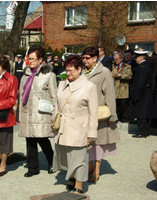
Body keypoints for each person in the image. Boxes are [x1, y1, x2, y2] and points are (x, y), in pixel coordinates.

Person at [53, 55, 98, 194]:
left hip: (80, 127)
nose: (68, 73)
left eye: (71, 70)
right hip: (63, 127)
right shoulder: (62, 84)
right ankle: (71, 177)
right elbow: (56, 104)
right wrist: (54, 120)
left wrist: (92, 132)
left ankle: (79, 185)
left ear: (80, 69)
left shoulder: (89, 87)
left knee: (79, 158)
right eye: (66, 70)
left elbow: (93, 112)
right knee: (66, 157)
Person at [18, 46, 57, 177]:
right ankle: (33, 167)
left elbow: (54, 95)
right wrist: (19, 115)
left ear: (41, 59)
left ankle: (52, 161)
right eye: (29, 59)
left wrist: (55, 114)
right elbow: (21, 95)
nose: (31, 62)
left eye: (34, 59)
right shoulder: (25, 74)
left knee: (43, 139)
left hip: (41, 113)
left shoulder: (49, 75)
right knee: (30, 141)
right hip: (27, 112)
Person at [82, 46, 120, 183]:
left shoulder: (104, 72)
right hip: (85, 113)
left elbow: (110, 94)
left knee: (99, 143)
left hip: (99, 113)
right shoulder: (83, 72)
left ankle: (96, 170)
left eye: (87, 58)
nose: (84, 60)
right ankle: (90, 166)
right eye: (83, 58)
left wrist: (112, 116)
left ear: (95, 58)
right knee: (88, 142)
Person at [131, 49, 153, 138]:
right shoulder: (145, 67)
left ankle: (142, 131)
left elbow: (140, 83)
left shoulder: (143, 68)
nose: (135, 59)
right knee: (143, 113)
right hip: (145, 94)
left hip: (142, 95)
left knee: (141, 113)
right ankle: (145, 131)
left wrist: (135, 96)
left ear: (140, 58)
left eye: (136, 57)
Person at [111, 53, 133, 123]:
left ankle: (125, 118)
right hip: (114, 87)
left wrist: (121, 75)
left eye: (116, 59)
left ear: (121, 59)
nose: (115, 60)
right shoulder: (113, 66)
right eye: (114, 59)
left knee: (124, 104)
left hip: (123, 87)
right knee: (115, 104)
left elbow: (129, 76)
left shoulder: (127, 66)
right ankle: (116, 117)